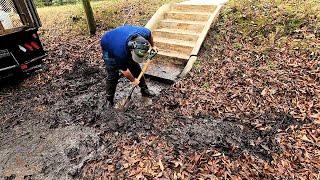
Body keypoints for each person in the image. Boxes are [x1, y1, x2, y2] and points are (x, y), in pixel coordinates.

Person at [100, 25, 156, 108]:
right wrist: (133, 80)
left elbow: (149, 34)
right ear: (131, 49)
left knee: (134, 66)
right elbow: (124, 70)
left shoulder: (144, 33)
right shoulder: (119, 52)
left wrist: (153, 46)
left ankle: (144, 90)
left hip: (123, 38)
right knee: (113, 74)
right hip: (108, 44)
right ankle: (109, 100)